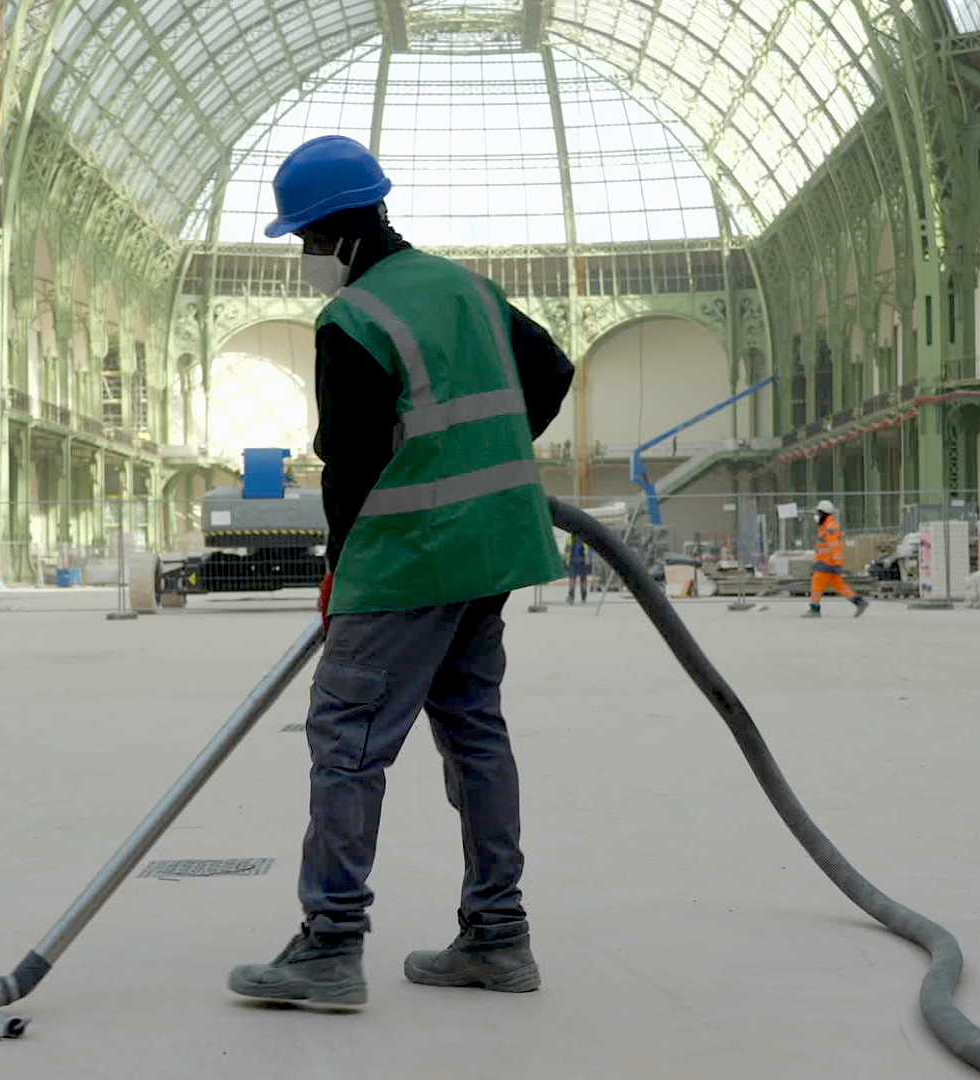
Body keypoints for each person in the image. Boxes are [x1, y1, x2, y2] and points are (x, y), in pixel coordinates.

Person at [228, 136, 575, 1008]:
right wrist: (485, 461)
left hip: (408, 558)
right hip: (492, 552)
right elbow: (553, 369)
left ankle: (329, 948)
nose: (307, 259)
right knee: (476, 737)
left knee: (346, 742)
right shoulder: (467, 287)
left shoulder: (354, 319)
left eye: (307, 241)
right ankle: (499, 936)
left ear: (339, 234)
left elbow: (346, 465)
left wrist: (340, 573)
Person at [802, 499, 867, 618]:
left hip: (827, 562)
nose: (817, 516)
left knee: (817, 583)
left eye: (819, 513)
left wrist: (837, 563)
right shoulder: (826, 526)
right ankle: (859, 602)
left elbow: (834, 546)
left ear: (824, 514)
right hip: (826, 562)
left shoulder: (830, 527)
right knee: (839, 585)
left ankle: (814, 609)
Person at [565, 535, 591, 604]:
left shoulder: (571, 538)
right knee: (576, 580)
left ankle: (580, 597)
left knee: (576, 580)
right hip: (575, 562)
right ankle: (574, 597)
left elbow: (566, 550)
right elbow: (567, 551)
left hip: (580, 562)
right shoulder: (571, 538)